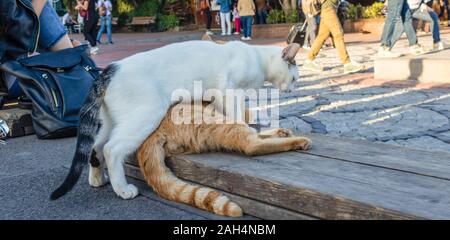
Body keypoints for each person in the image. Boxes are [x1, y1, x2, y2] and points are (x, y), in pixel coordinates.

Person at [303, 0, 364, 74]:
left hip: (328, 9)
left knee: (322, 36)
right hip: (328, 9)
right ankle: (347, 63)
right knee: (338, 34)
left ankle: (308, 61)